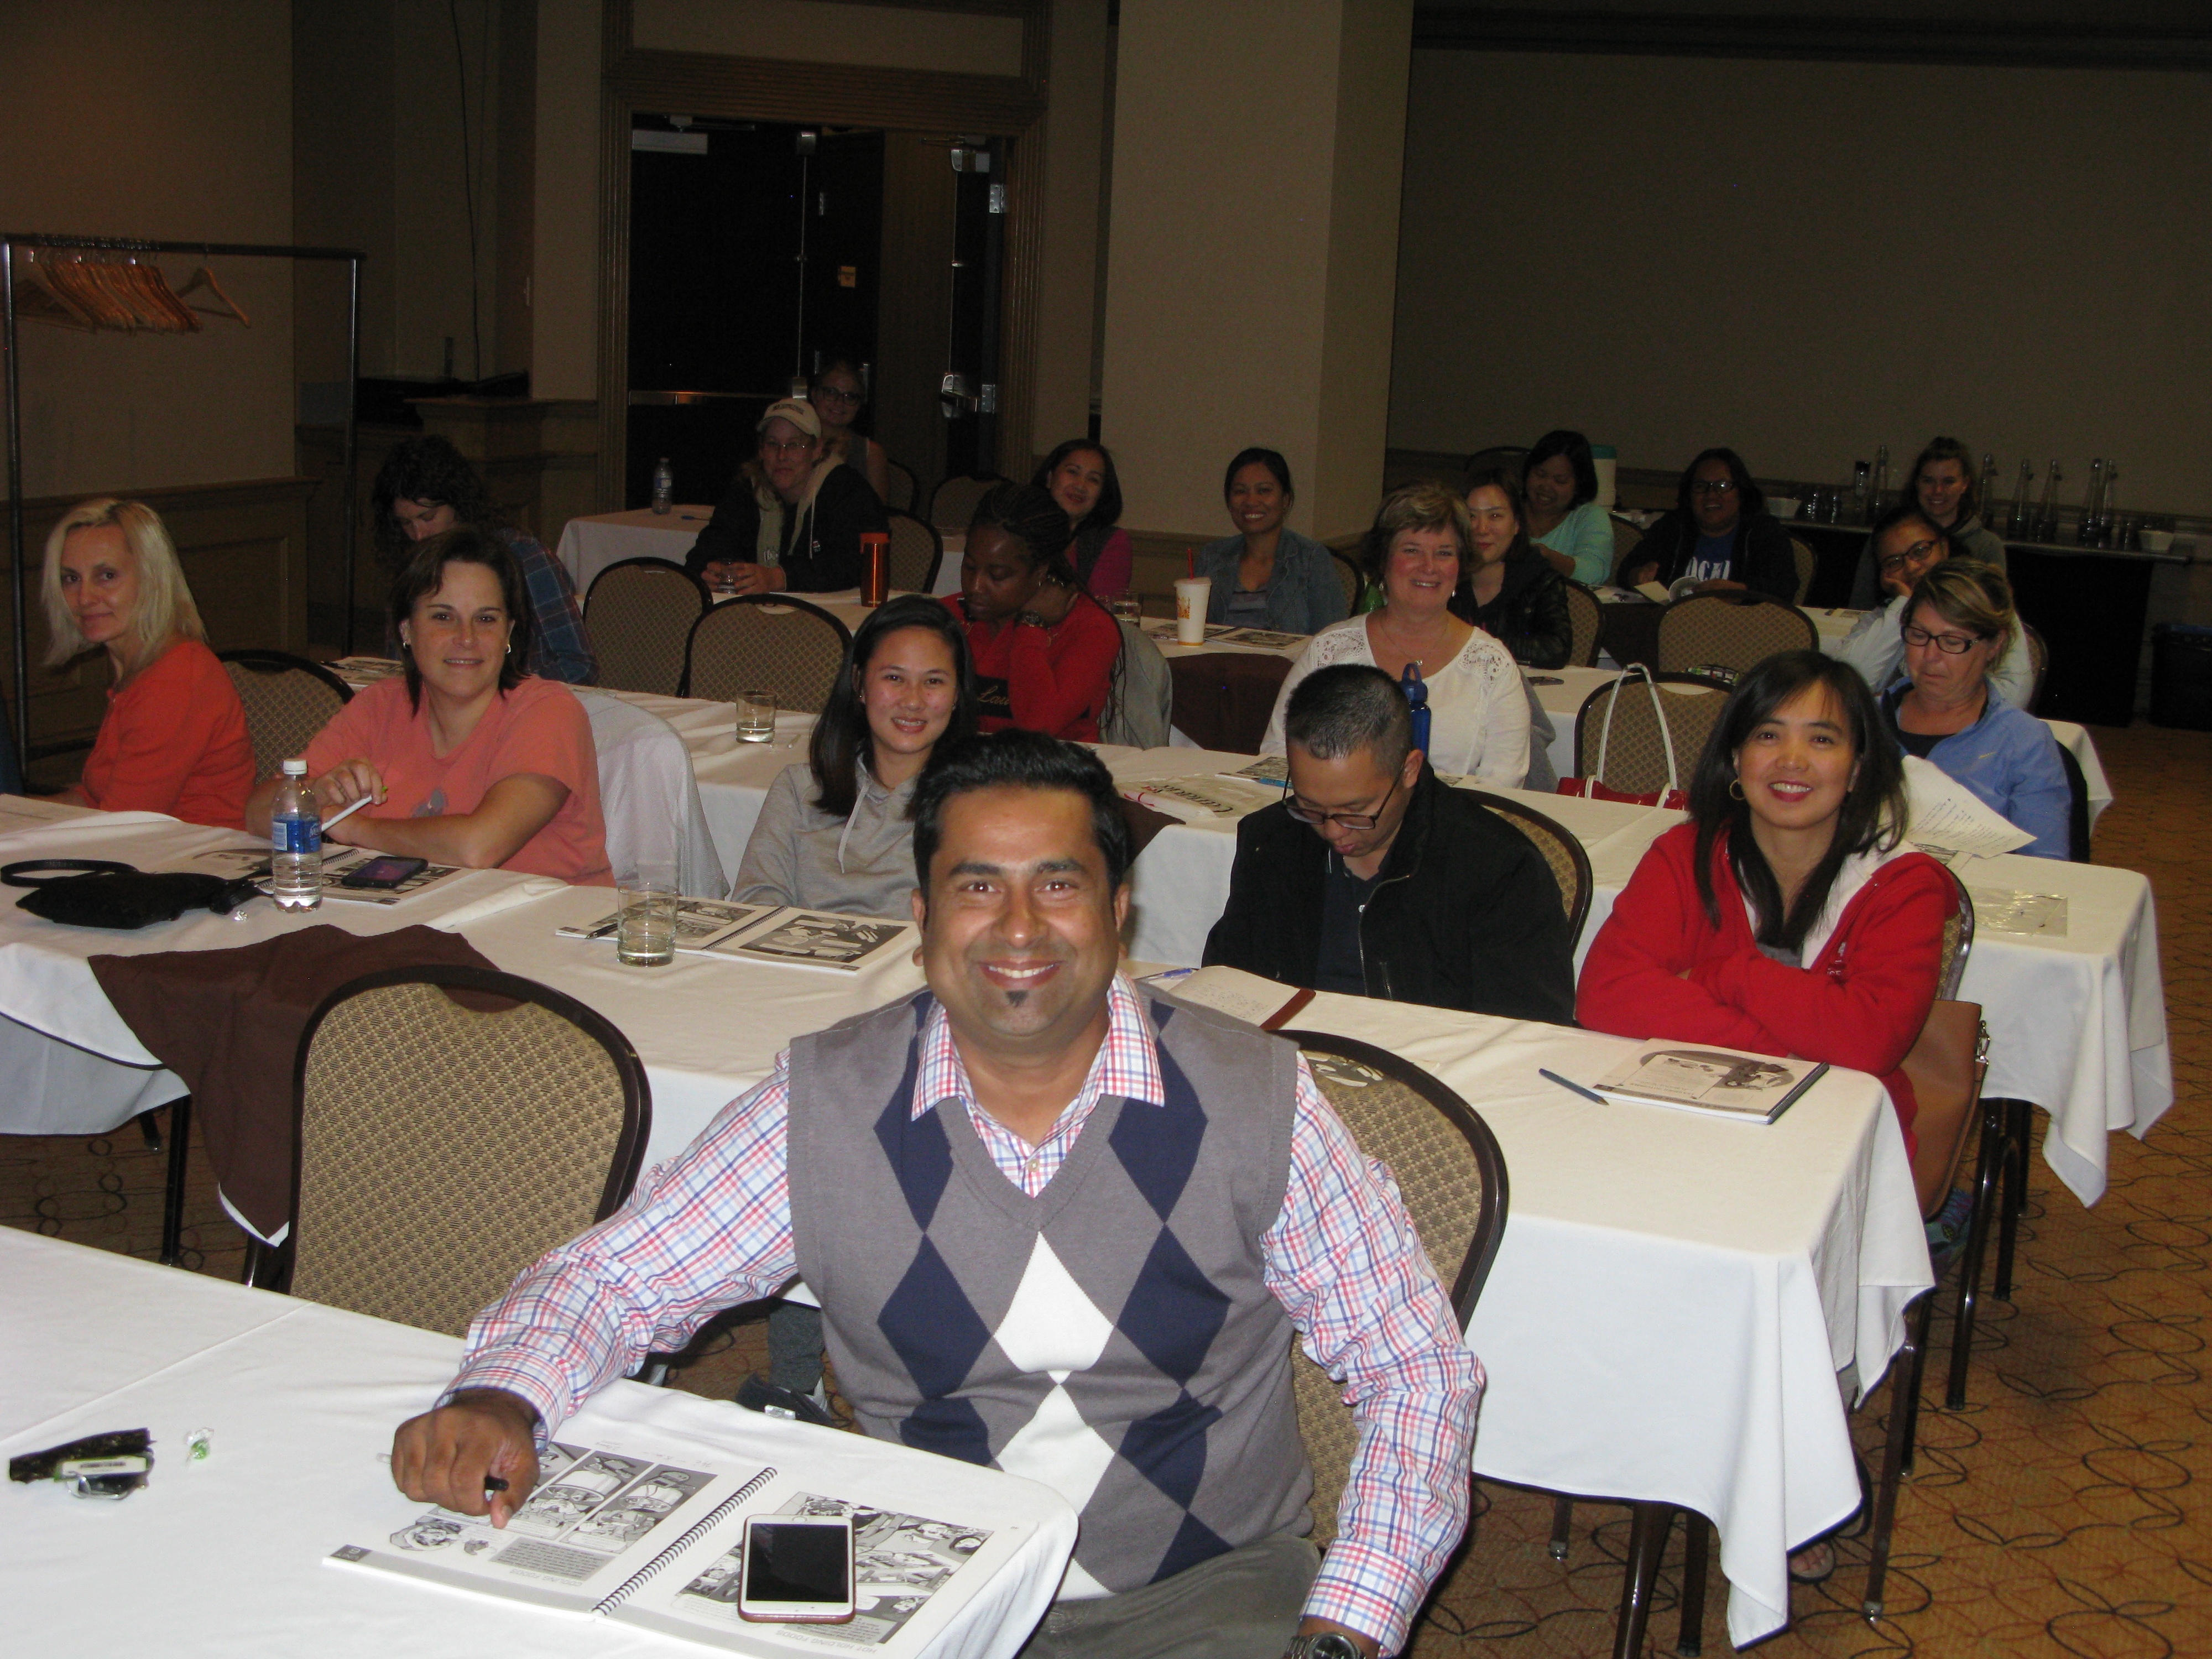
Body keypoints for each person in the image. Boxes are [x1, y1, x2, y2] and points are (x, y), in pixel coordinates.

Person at [388, 730, 1481, 1659]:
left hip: (1200, 1598)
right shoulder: (825, 1103)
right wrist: (503, 1396)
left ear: (1119, 908)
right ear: (922, 916)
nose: (1019, 928)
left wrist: (1347, 1626)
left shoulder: (1255, 1100)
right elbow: (617, 1278)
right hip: (923, 1574)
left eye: (1058, 884)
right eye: (976, 887)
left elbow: (1415, 1369)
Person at [1576, 649, 1950, 1160]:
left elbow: (1870, 1041)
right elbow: (1606, 994)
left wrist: (1727, 975)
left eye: (1822, 739)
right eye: (1768, 736)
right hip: (1677, 1120)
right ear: (1736, 757)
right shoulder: (1685, 854)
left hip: (1837, 1136)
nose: (1792, 760)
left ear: (1857, 769)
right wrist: (1786, 1050)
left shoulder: (1904, 884)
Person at [1206, 665, 1574, 1021]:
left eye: (1355, 811)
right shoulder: (1272, 839)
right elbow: (1228, 982)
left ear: (1409, 769)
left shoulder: (1497, 868)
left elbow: (1525, 1030)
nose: (1333, 831)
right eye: (1310, 807)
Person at [249, 527, 611, 885]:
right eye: (443, 617)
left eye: (486, 619)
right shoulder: (380, 705)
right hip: (414, 910)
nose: (466, 638)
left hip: (544, 918)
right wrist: (315, 796)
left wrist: (351, 826)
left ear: (509, 634)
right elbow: (257, 814)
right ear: (406, 630)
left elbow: (478, 848)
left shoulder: (548, 712)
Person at [1264, 482, 1530, 786]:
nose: (1429, 567)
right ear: (1384, 561)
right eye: (1412, 550)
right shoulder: (1331, 651)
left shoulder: (1492, 665)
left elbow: (1503, 784)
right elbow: (1278, 757)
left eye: (1444, 553)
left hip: (1454, 816)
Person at [734, 594, 979, 917]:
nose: (913, 701)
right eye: (894, 678)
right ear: (858, 682)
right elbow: (755, 902)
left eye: (933, 681)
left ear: (957, 694)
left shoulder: (976, 803)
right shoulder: (800, 788)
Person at [40, 498, 252, 830]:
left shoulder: (176, 678)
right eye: (71, 579)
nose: (84, 598)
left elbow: (122, 826)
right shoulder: (140, 670)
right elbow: (92, 799)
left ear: (152, 579)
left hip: (188, 856)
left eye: (106, 576)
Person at [372, 435, 597, 686]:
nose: (419, 535)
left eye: (428, 518)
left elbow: (578, 665)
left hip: (518, 698)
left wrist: (502, 691)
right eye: (406, 523)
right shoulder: (413, 565)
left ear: (457, 503)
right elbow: (399, 661)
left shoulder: (523, 557)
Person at [1884, 561, 2070, 859]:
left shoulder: (2024, 743)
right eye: (1919, 635)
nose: (1931, 656)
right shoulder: (1863, 720)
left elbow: (2046, 865)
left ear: (1995, 645)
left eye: (1953, 641)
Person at [943, 483, 1121, 742]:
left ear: (1040, 572)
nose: (975, 586)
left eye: (998, 575)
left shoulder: (1090, 627)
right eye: (969, 567)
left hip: (1054, 763)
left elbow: (1038, 726)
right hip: (960, 761)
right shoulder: (947, 616)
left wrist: (1031, 627)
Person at [1835, 504, 2035, 709]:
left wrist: (1927, 704)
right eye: (1894, 562)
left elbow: (2014, 695)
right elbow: (1847, 684)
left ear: (1944, 547)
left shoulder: (1987, 606)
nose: (1911, 567)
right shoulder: (1885, 618)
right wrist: (1903, 605)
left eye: (1920, 551)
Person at [687, 398, 889, 595]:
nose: (782, 456)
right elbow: (708, 549)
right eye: (773, 444)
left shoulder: (846, 490)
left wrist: (779, 578)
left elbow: (854, 565)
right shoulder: (748, 489)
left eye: (794, 445)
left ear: (817, 450)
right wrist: (712, 569)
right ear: (761, 450)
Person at [1194, 448, 1347, 635]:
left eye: (1264, 491)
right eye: (1240, 491)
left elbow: (1332, 640)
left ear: (1285, 500)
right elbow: (1190, 630)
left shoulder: (1310, 559)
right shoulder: (1213, 557)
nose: (1251, 501)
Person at [1847, 436, 2007, 609]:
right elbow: (1859, 607)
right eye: (1928, 481)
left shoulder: (1987, 545)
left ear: (1965, 484)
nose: (1937, 491)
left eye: (1948, 482)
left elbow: (1996, 612)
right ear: (1917, 483)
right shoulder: (1887, 539)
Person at [1619, 448, 1797, 600]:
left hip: (1742, 625)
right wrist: (1638, 576)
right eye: (1700, 486)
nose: (1711, 495)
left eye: (1722, 486)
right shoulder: (1673, 526)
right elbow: (1627, 571)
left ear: (1741, 492)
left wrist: (1740, 592)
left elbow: (1784, 587)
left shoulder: (1764, 531)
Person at [1462, 468, 1571, 669]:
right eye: (1471, 516)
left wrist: (1477, 643)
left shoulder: (1540, 579)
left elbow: (1556, 649)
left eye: (1495, 516)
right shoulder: (1442, 575)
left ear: (1516, 525)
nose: (1482, 529)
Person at [1031, 438, 1133, 601]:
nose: (1080, 485)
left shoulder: (1109, 542)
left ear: (1102, 494)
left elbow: (1102, 610)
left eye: (1093, 479)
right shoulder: (1019, 529)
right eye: (1073, 472)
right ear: (1050, 478)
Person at [1520, 430, 1614, 587]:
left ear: (1579, 485)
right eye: (1540, 475)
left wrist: (1548, 558)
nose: (1546, 486)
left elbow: (1595, 573)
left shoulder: (1590, 517)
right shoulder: (1506, 508)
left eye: (1560, 481)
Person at [807, 356, 892, 504]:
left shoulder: (871, 454)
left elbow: (878, 513)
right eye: (831, 392)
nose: (840, 402)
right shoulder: (794, 444)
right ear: (815, 395)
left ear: (859, 405)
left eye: (850, 397)